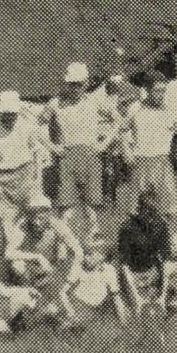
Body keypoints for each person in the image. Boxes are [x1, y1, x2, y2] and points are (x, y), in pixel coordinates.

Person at [44, 62, 116, 241]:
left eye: (78, 84)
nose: (75, 88)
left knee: (92, 205)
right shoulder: (56, 104)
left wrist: (104, 144)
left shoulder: (94, 101)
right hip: (67, 156)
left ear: (86, 83)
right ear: (66, 84)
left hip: (91, 155)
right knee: (66, 206)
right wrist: (52, 147)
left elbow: (118, 121)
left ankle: (93, 242)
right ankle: (63, 243)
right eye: (71, 84)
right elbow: (37, 126)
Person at [0, 89, 49, 255]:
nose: (9, 116)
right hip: (2, 179)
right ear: (0, 111)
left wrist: (37, 176)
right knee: (8, 222)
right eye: (6, 113)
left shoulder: (27, 126)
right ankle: (14, 261)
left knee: (33, 219)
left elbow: (37, 151)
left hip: (25, 175)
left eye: (13, 113)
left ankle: (37, 256)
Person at [121, 73, 177, 216]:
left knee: (168, 210)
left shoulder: (168, 110)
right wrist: (126, 150)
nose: (161, 94)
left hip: (162, 161)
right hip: (141, 161)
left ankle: (165, 235)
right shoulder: (135, 108)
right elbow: (124, 130)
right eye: (157, 91)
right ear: (147, 89)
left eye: (163, 91)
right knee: (136, 209)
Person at [44, 235, 128, 328]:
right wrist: (70, 312)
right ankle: (59, 321)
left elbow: (116, 298)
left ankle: (68, 323)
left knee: (67, 325)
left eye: (91, 254)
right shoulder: (79, 265)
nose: (86, 257)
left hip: (90, 309)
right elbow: (63, 292)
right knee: (49, 311)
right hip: (74, 301)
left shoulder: (109, 270)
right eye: (86, 253)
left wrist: (123, 323)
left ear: (102, 257)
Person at [114, 188, 172, 314]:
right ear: (139, 209)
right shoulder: (128, 227)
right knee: (135, 307)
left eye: (152, 212)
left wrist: (162, 296)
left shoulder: (161, 225)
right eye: (145, 210)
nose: (149, 217)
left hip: (152, 274)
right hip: (132, 276)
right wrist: (137, 298)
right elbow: (124, 265)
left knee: (154, 306)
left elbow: (166, 262)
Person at [7, 193, 82, 286]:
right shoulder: (23, 225)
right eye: (33, 218)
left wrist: (70, 279)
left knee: (64, 251)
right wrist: (37, 257)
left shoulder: (57, 224)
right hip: (31, 266)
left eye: (41, 218)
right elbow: (8, 253)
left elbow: (78, 250)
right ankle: (27, 288)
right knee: (17, 264)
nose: (37, 222)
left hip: (51, 266)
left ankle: (56, 284)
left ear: (48, 215)